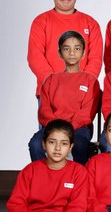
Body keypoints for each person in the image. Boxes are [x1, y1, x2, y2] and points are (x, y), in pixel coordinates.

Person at [28, 0, 102, 98]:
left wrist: (83, 84)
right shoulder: (41, 22)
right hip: (50, 92)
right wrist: (54, 83)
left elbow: (95, 59)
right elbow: (35, 57)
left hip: (82, 92)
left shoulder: (91, 24)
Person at [30, 31, 100, 164]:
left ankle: (78, 175)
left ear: (83, 53)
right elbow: (44, 110)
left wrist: (68, 129)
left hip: (79, 128)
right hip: (52, 126)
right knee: (35, 144)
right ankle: (43, 174)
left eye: (77, 48)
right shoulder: (51, 80)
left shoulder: (90, 81)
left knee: (79, 144)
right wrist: (56, 128)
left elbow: (87, 113)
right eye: (67, 49)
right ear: (60, 53)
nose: (72, 53)